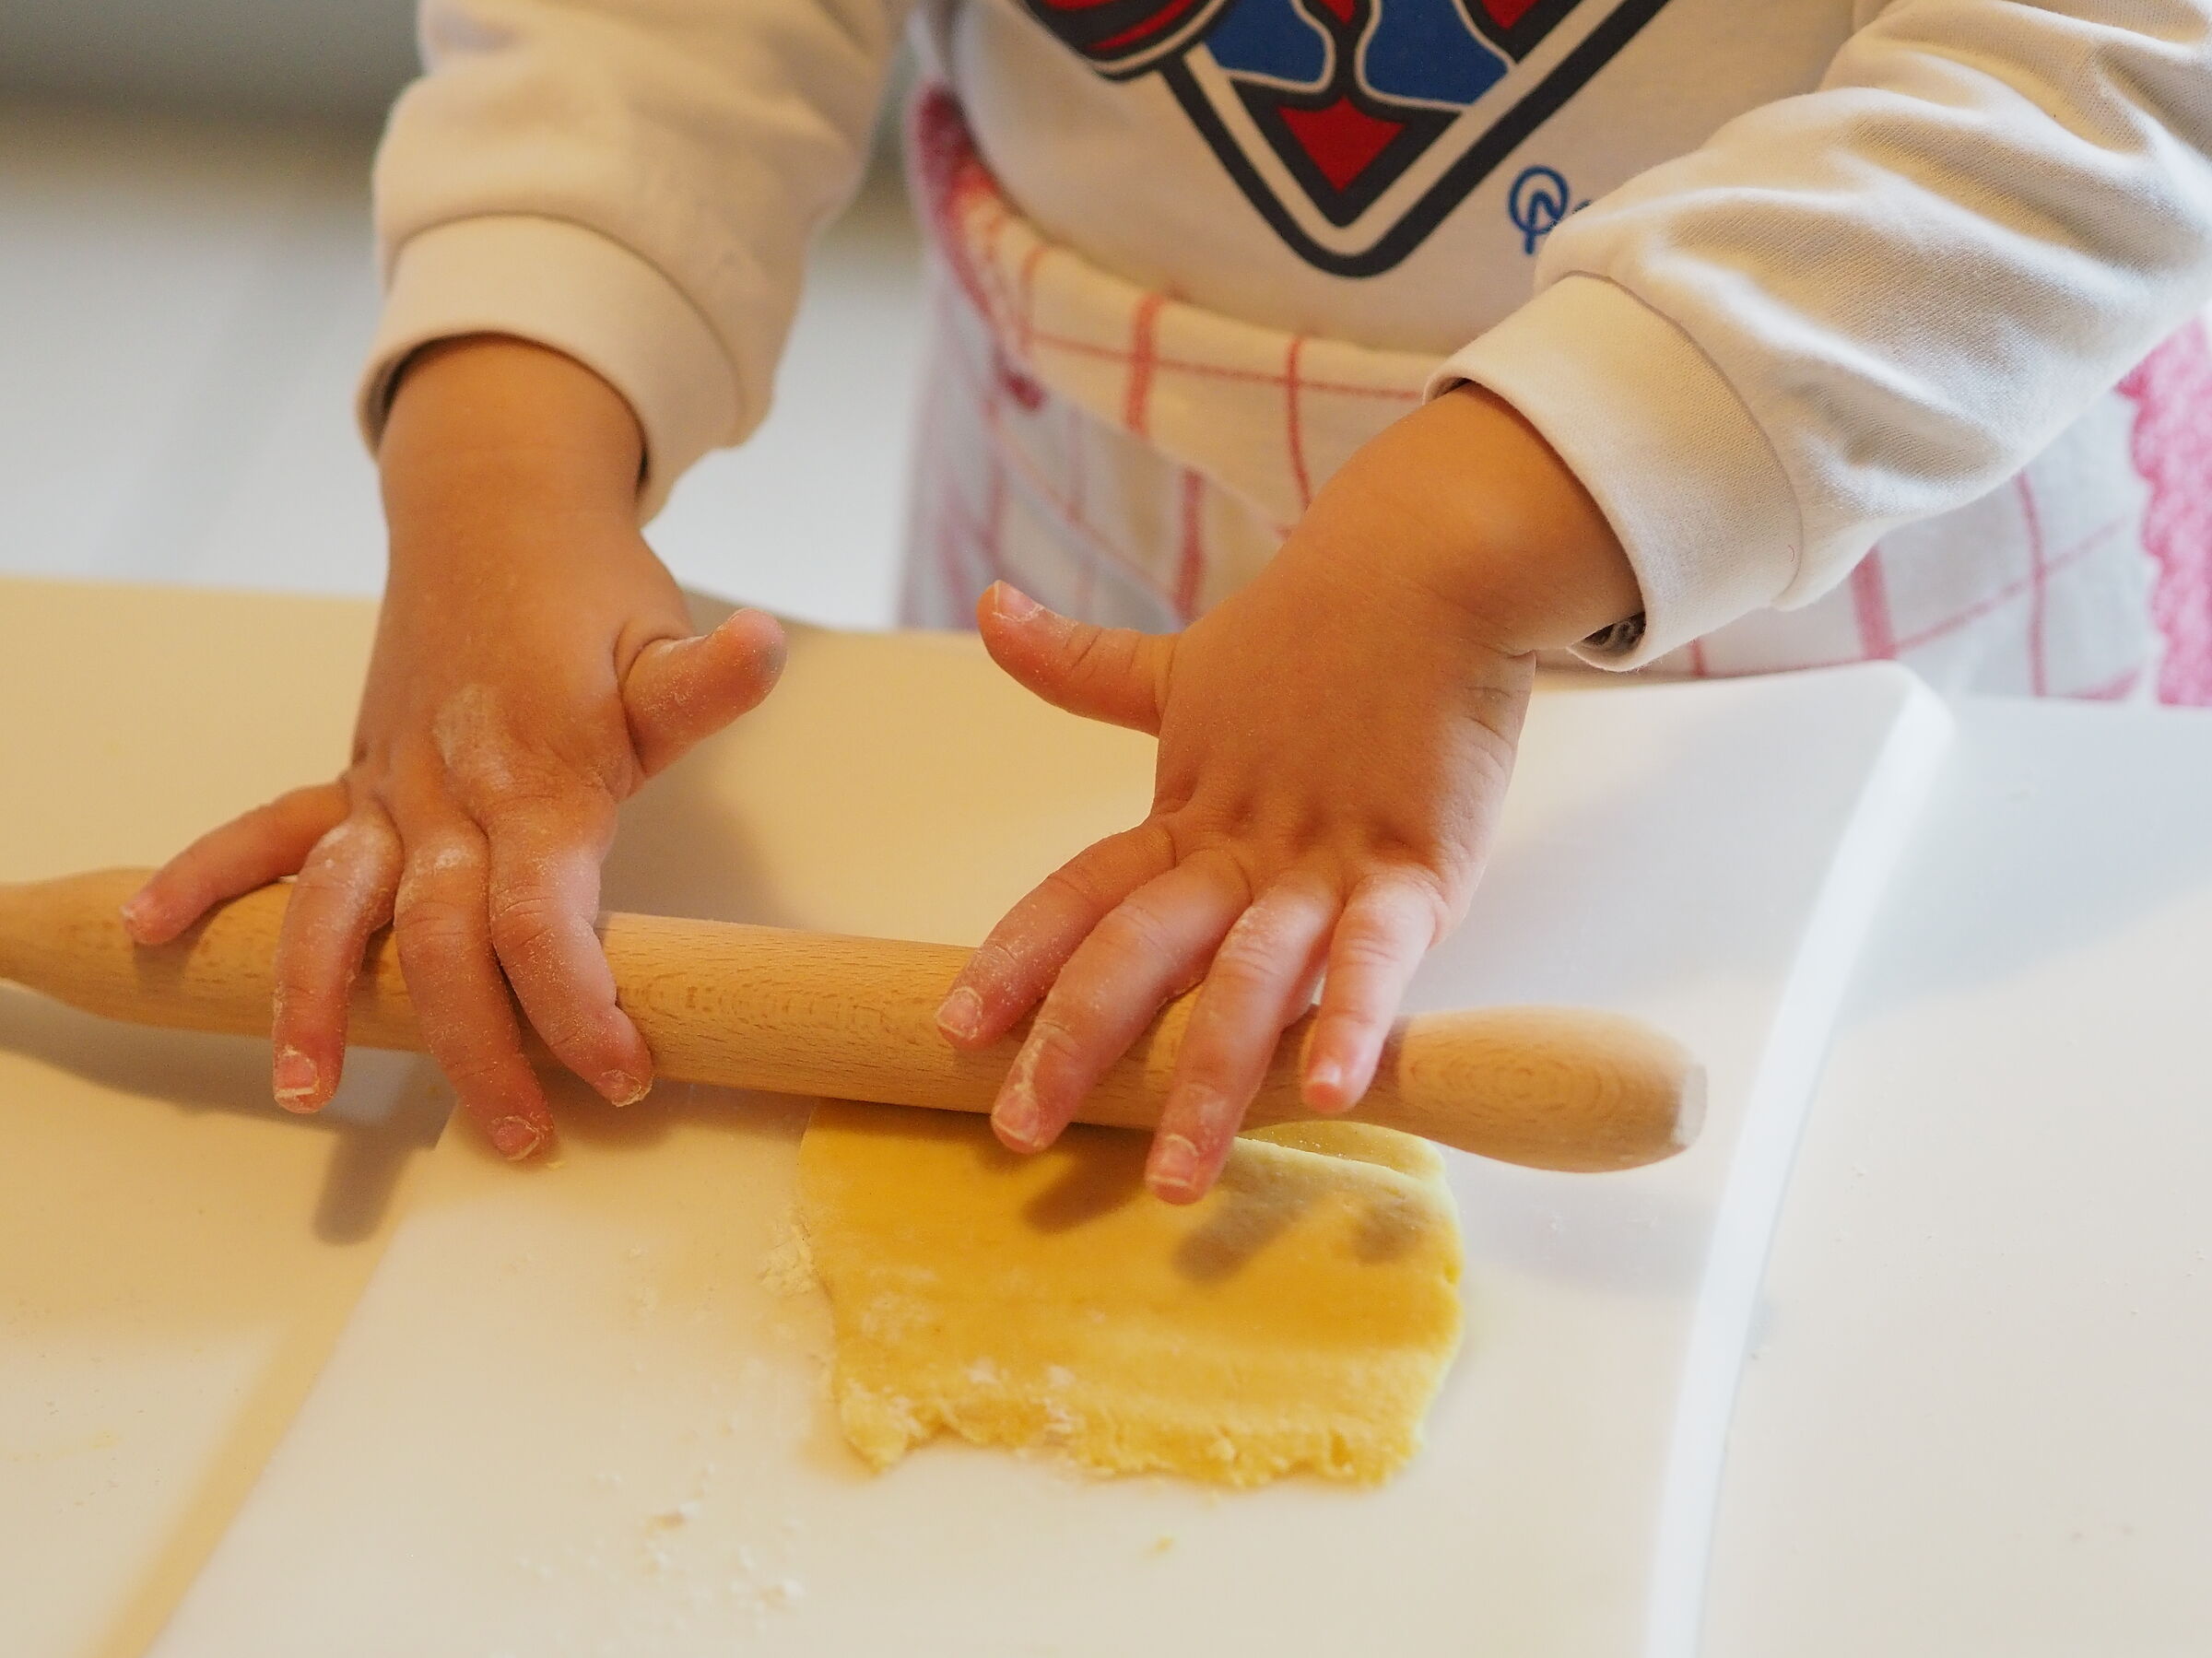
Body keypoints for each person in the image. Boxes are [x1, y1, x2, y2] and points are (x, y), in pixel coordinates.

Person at [120, 0, 2212, 1201]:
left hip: (1850, 516)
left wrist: (1463, 541)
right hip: (1117, 504)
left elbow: (2090, 70)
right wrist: (510, 439)